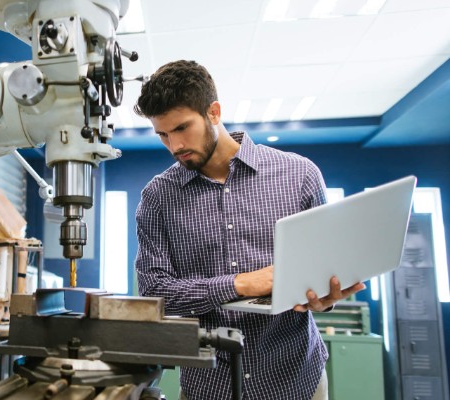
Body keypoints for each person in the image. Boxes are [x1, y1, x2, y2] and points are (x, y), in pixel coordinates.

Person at [132, 60, 365, 400]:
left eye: (182, 128)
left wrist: (324, 300)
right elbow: (154, 292)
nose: (174, 145)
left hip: (296, 379)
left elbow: (324, 268)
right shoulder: (158, 197)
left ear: (213, 112)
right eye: (163, 134)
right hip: (209, 386)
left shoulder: (300, 175)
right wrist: (239, 284)